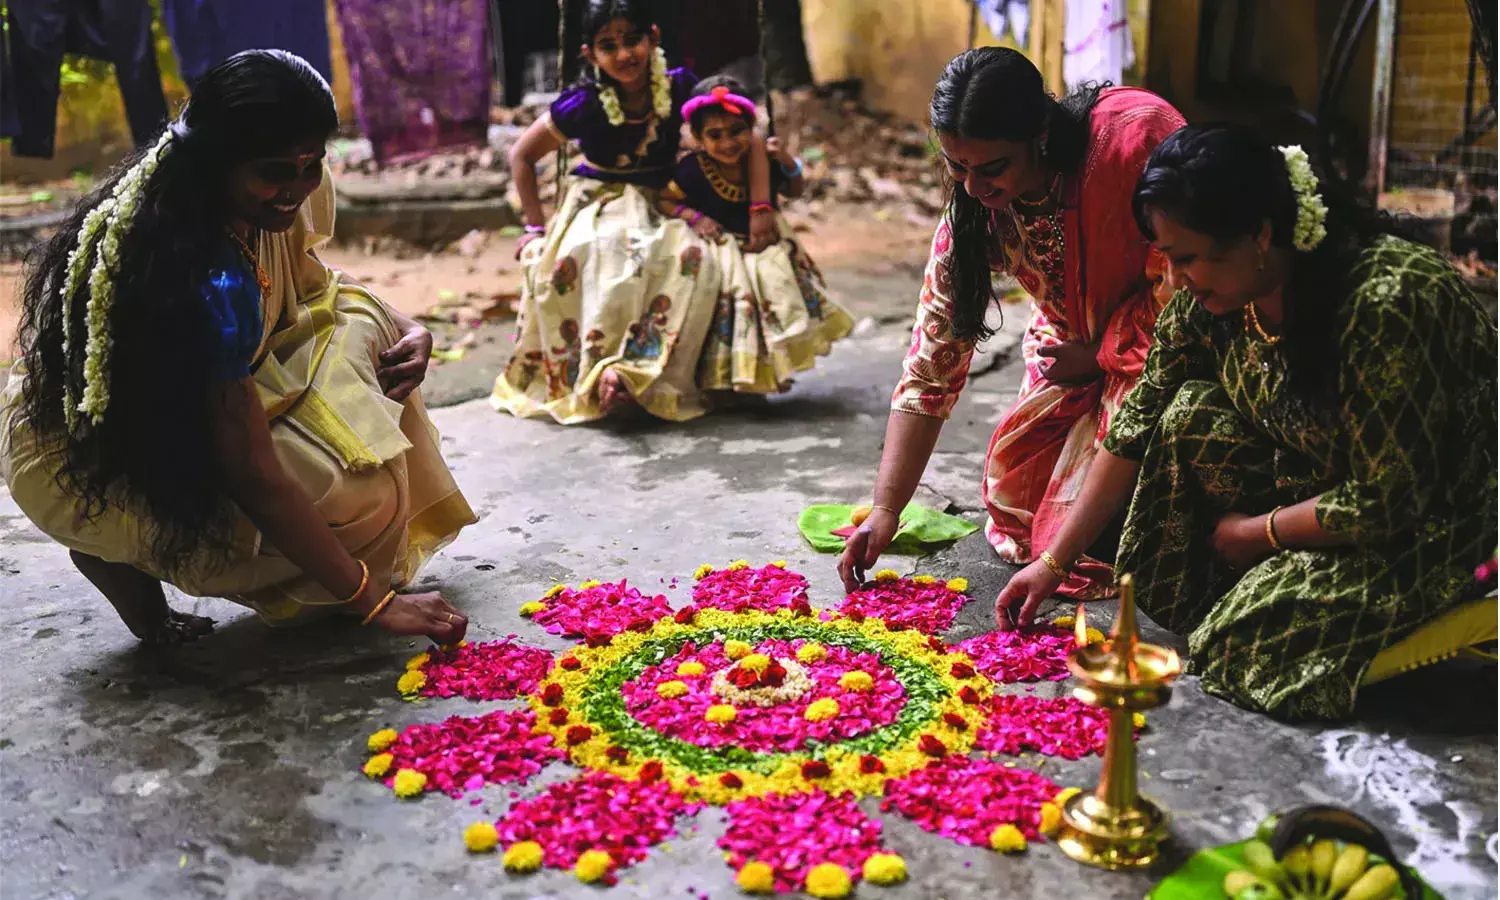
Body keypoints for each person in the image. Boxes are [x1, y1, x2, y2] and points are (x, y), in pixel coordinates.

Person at [995, 124, 1497, 720]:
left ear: (1259, 234)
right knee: (1188, 414)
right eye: (1167, 258)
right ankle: (1286, 594)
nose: (1174, 280)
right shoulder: (1207, 300)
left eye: (1187, 259)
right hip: (1319, 480)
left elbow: (1389, 499)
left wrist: (1259, 533)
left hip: (1440, 519)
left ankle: (1456, 612)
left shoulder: (1386, 301)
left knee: (1239, 647)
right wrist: (1051, 564)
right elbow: (1137, 424)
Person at [1, 50, 476, 646]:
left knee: (369, 325)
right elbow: (252, 473)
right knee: (357, 498)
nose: (297, 189)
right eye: (277, 172)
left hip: (221, 391)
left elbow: (317, 281)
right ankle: (117, 542)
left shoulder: (279, 189)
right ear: (214, 162)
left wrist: (410, 326)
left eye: (312, 165)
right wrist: (373, 602)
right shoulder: (201, 277)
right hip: (106, 451)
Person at [837, 47, 1184, 600]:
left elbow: (1191, 281)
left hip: (1166, 347)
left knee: (1122, 530)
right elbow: (932, 363)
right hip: (1070, 353)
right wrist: (885, 509)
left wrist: (1101, 355)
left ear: (1040, 134)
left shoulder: (1133, 141)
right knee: (1020, 504)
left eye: (992, 168)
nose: (973, 189)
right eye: (957, 167)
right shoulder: (975, 212)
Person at [492, 0, 775, 424]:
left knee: (694, 257)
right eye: (609, 46)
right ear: (590, 54)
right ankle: (601, 375)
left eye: (632, 40)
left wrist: (760, 204)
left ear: (653, 38)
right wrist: (535, 226)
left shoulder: (679, 85)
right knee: (600, 250)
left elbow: (744, 127)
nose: (624, 54)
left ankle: (664, 378)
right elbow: (522, 155)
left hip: (663, 196)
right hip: (598, 200)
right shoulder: (583, 102)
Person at [659, 76, 854, 394]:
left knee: (774, 294)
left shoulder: (763, 160)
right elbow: (665, 200)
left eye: (736, 131)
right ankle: (721, 380)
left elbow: (794, 190)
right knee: (729, 304)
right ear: (697, 137)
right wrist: (695, 218)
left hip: (763, 247)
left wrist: (786, 160)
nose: (727, 143)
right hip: (721, 249)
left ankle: (768, 374)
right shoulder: (692, 170)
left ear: (751, 127)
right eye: (714, 135)